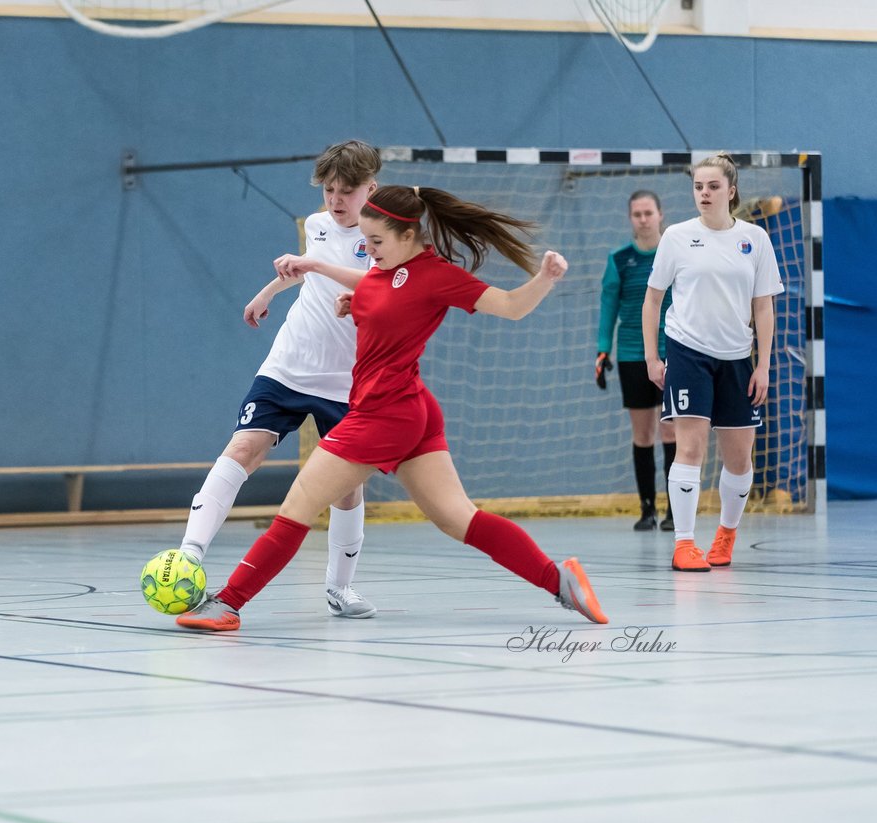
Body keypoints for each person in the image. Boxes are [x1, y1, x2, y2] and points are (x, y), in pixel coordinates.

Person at [176, 185, 609, 631]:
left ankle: (227, 603)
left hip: (382, 414)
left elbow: (510, 306)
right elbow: (378, 287)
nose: (371, 251)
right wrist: (354, 301)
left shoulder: (437, 275)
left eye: (377, 242)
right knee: (458, 518)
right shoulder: (389, 268)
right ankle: (560, 581)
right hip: (411, 410)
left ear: (409, 234)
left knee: (299, 504)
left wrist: (545, 278)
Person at [177, 140, 381, 618]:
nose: (335, 199)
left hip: (347, 379)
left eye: (346, 191)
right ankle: (189, 555)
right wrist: (267, 291)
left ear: (370, 188)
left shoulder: (383, 235)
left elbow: (374, 285)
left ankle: (339, 588)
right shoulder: (317, 225)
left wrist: (313, 265)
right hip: (289, 364)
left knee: (347, 485)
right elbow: (310, 274)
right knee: (243, 449)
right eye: (329, 189)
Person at [642, 154, 783, 572]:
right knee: (690, 447)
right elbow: (652, 300)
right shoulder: (677, 237)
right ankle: (684, 544)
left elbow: (764, 307)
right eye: (698, 187)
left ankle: (726, 535)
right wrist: (653, 357)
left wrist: (764, 365)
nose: (704, 193)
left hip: (739, 358)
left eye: (713, 187)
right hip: (687, 352)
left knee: (740, 459)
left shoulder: (755, 239)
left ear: (731, 190)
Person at [596, 190, 677, 531]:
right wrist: (603, 349)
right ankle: (647, 509)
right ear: (630, 218)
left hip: (674, 351)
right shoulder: (619, 259)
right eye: (637, 214)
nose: (643, 219)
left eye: (649, 213)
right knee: (642, 434)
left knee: (672, 431)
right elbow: (608, 306)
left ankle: (677, 510)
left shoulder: (676, 253)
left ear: (660, 214)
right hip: (632, 354)